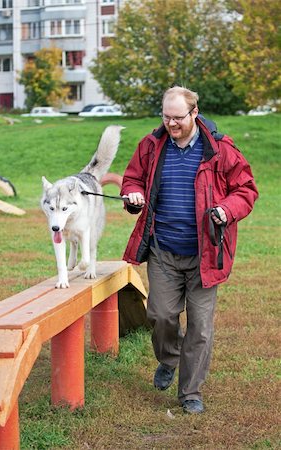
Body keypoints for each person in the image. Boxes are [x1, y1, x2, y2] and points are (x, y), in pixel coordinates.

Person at [120, 86, 258, 414]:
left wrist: (226, 209)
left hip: (206, 252)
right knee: (160, 315)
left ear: (194, 113)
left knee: (200, 326)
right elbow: (132, 179)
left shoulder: (220, 149)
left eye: (178, 117)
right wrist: (133, 195)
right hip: (164, 250)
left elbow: (246, 188)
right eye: (166, 116)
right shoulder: (151, 146)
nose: (171, 123)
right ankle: (169, 359)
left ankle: (190, 392)